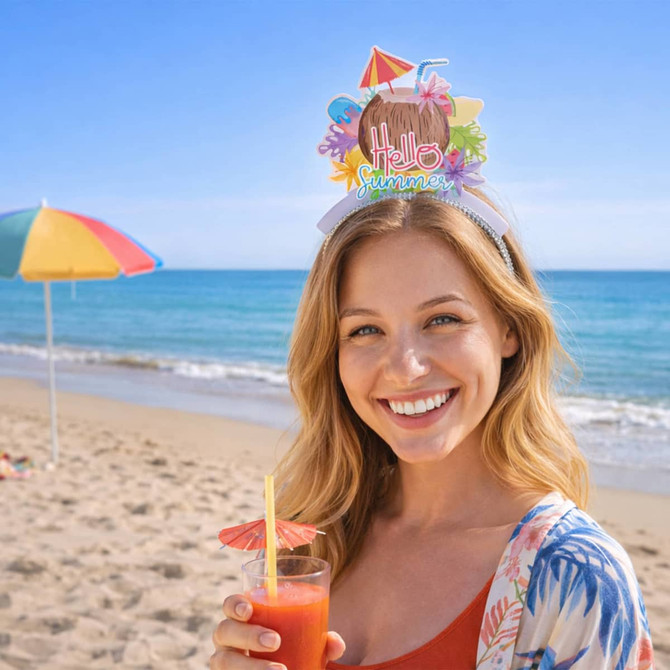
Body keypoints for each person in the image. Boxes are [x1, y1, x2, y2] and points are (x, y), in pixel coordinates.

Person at [211, 49, 655, 670]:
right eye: (364, 330)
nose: (405, 366)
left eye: (441, 319)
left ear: (508, 329)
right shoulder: (318, 540)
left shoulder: (575, 578)